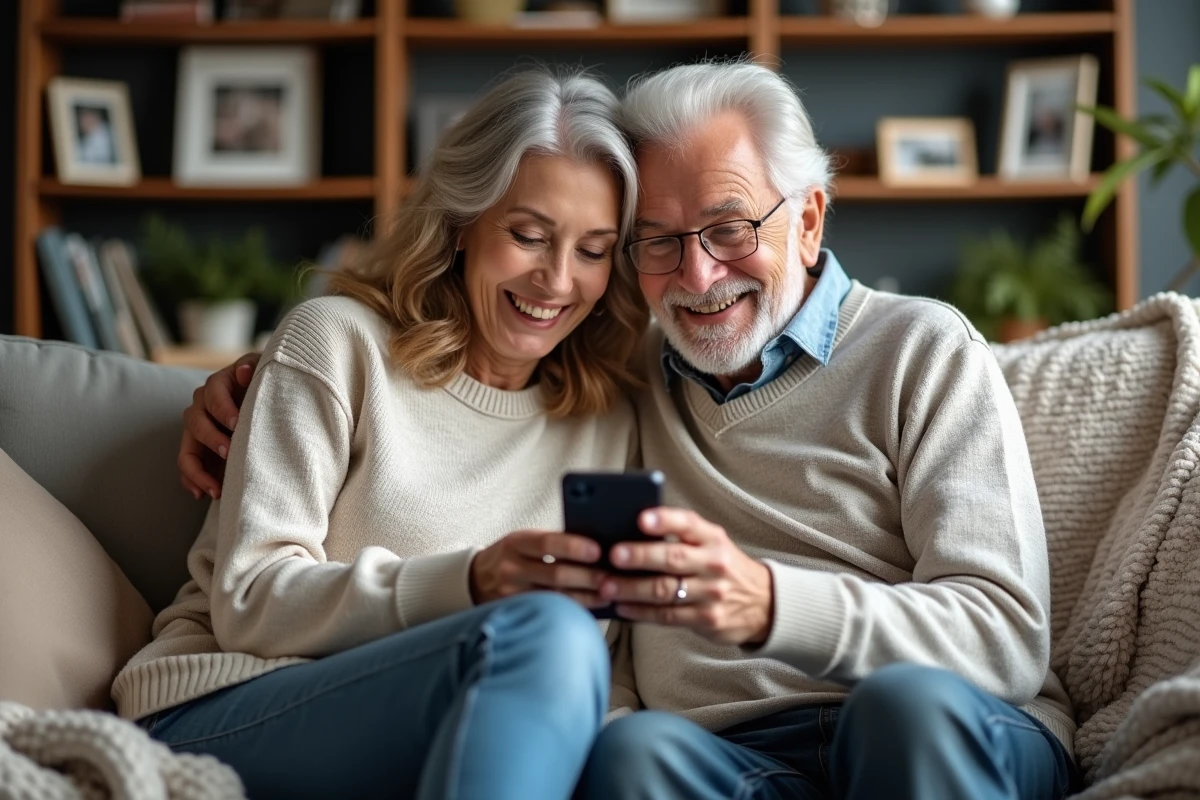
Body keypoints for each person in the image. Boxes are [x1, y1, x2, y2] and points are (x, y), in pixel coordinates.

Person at [179, 61, 1079, 800]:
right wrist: (236, 390)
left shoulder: (909, 350)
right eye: (657, 241)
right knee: (632, 753)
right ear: (463, 226)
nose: (696, 274)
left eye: (728, 228)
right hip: (729, 755)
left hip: (939, 719)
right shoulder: (621, 374)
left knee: (901, 712)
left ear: (807, 219)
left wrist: (770, 604)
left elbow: (1003, 635)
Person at [112, 67, 649, 800]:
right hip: (228, 703)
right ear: (463, 222)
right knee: (550, 634)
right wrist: (470, 581)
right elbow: (250, 601)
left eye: (593, 250)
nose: (557, 280)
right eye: (529, 235)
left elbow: (607, 662)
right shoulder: (336, 345)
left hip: (450, 727)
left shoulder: (611, 414)